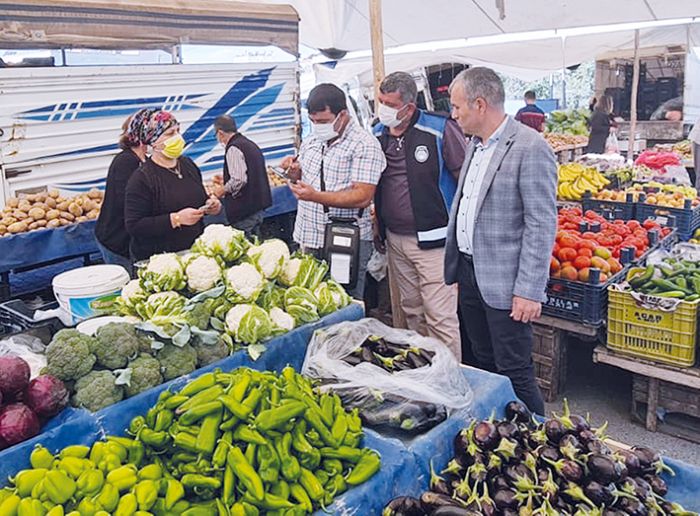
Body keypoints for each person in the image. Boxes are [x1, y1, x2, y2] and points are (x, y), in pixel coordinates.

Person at [445, 67, 557, 415]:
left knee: (514, 370)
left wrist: (528, 289)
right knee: (481, 362)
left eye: (457, 107)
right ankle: (495, 429)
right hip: (470, 272)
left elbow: (540, 223)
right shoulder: (475, 146)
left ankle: (540, 440)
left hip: (506, 284)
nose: (454, 114)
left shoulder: (530, 147)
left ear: (479, 104)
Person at [372, 71, 466, 361]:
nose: (382, 109)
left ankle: (451, 377)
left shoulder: (439, 129)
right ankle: (426, 370)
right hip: (395, 239)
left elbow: (465, 178)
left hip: (435, 241)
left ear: (409, 107)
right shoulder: (378, 132)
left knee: (440, 315)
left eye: (389, 103)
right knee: (412, 310)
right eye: (380, 102)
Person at [281, 83, 386, 300]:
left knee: (344, 300)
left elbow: (363, 196)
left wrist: (315, 196)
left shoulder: (364, 144)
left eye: (323, 121)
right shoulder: (311, 140)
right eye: (313, 121)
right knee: (311, 300)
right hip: (309, 236)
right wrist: (293, 173)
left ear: (343, 115)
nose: (317, 126)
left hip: (345, 238)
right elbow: (305, 175)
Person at [124, 110, 221, 261]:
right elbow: (134, 225)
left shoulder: (188, 165)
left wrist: (210, 204)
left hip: (194, 251)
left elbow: (199, 197)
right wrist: (176, 219)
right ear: (153, 141)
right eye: (170, 134)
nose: (177, 137)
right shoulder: (142, 178)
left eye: (178, 131)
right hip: (161, 258)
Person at [95, 109, 150, 272]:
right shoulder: (125, 161)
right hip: (116, 239)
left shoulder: (144, 160)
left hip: (131, 239)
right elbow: (127, 202)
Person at [209, 115, 272, 238]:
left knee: (245, 248)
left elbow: (239, 179)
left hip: (245, 211)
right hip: (257, 207)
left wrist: (221, 191)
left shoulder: (233, 148)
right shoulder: (248, 143)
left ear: (220, 133)